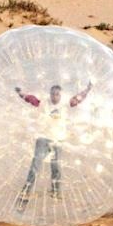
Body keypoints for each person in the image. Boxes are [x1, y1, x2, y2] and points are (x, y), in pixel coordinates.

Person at [14, 82, 92, 211]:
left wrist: (87, 90)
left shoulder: (66, 104)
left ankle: (56, 192)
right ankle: (25, 193)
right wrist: (20, 93)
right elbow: (31, 99)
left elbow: (78, 98)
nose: (54, 97)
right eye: (53, 94)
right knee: (35, 166)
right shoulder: (43, 103)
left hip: (58, 140)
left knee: (56, 167)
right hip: (43, 138)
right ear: (50, 94)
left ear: (60, 95)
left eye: (57, 94)